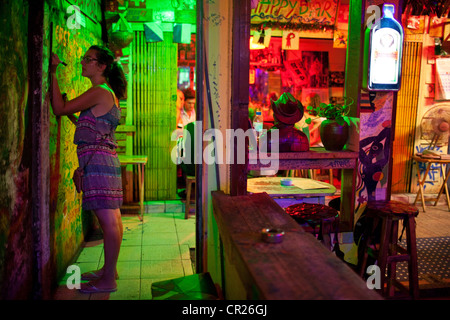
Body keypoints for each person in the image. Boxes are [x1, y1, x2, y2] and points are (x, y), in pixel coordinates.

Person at [50, 45, 127, 294]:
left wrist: (52, 71)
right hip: (104, 161)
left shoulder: (99, 91)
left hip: (98, 164)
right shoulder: (105, 93)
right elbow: (88, 126)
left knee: (108, 220)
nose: (82, 62)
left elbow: (60, 109)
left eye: (88, 59)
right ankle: (109, 270)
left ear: (101, 66)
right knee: (112, 218)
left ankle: (108, 281)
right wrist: (74, 116)